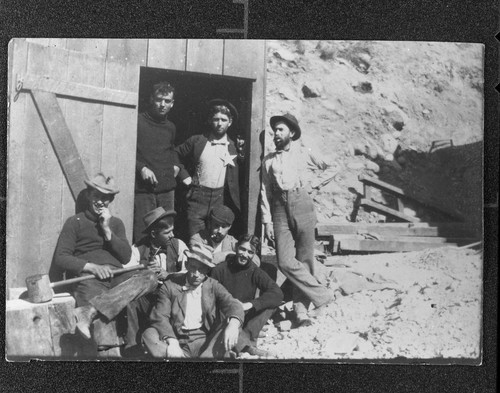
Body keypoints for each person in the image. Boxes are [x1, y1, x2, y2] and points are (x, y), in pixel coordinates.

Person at [52, 173, 157, 345]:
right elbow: (61, 258)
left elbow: (125, 257)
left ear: (111, 200)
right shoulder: (75, 222)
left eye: (106, 198)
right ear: (88, 195)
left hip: (117, 276)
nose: (101, 202)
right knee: (102, 331)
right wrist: (91, 267)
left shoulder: (116, 223)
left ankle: (90, 311)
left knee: (150, 277)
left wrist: (107, 230)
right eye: (97, 196)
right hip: (90, 279)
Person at [260, 113, 334, 327]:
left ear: (292, 133)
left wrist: (314, 186)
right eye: (274, 131)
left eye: (281, 130)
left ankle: (301, 313)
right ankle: (322, 294)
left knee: (305, 259)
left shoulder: (304, 153)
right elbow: (264, 191)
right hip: (279, 209)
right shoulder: (268, 160)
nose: (276, 134)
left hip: (302, 202)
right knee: (285, 261)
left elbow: (333, 166)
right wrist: (266, 221)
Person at [142, 243, 244, 359]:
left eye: (201, 270)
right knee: (149, 334)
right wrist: (172, 342)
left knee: (233, 323)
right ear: (186, 265)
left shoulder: (213, 285)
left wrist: (234, 324)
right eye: (193, 267)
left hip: (206, 343)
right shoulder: (170, 286)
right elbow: (160, 316)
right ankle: (180, 357)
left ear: (207, 271)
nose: (196, 274)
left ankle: (202, 359)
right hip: (178, 341)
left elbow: (232, 303)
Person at [123, 206, 189, 356]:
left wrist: (169, 275)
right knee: (130, 301)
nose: (172, 235)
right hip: (148, 298)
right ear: (153, 233)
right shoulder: (138, 248)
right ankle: (132, 347)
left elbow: (189, 271)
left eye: (172, 230)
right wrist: (145, 272)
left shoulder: (178, 245)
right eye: (167, 232)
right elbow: (126, 274)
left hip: (171, 297)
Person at [175, 99, 241, 237]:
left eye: (223, 119)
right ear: (210, 120)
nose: (219, 123)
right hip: (197, 198)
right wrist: (184, 175)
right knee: (195, 240)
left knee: (215, 241)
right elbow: (174, 154)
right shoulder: (197, 141)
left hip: (219, 199)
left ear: (230, 122)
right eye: (216, 119)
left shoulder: (234, 147)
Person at [134, 81, 190, 243]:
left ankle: (164, 265)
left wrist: (178, 168)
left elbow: (171, 150)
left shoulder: (171, 127)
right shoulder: (138, 121)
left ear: (172, 104)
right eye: (159, 99)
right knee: (143, 233)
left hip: (166, 190)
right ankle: (144, 266)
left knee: (166, 232)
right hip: (144, 189)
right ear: (151, 99)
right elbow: (125, 150)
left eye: (167, 101)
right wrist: (141, 168)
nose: (162, 104)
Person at [211, 234, 283, 357]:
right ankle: (246, 347)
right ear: (236, 247)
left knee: (271, 304)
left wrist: (249, 305)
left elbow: (277, 293)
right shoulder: (221, 269)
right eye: (242, 249)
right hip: (224, 315)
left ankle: (247, 336)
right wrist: (233, 307)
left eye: (250, 252)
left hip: (244, 315)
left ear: (254, 254)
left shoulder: (254, 271)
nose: (245, 255)